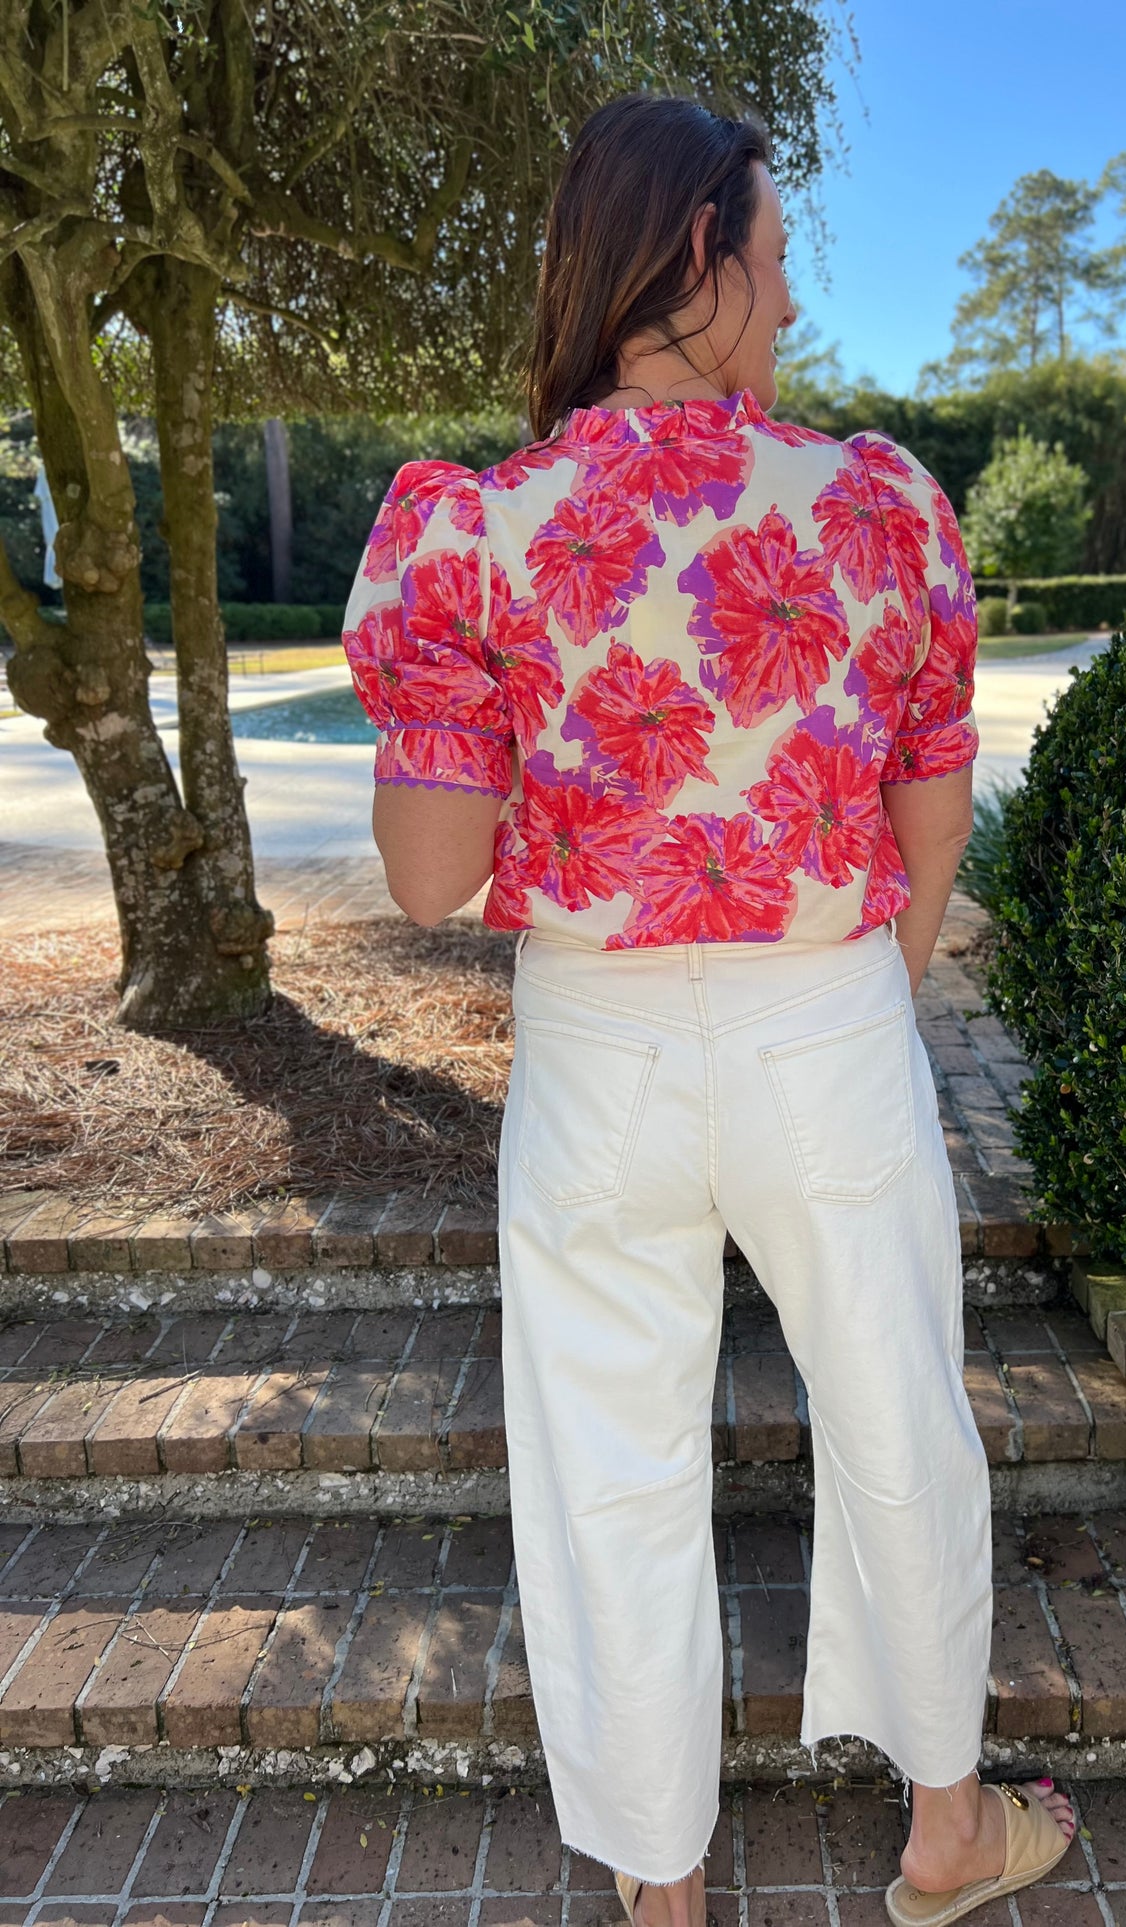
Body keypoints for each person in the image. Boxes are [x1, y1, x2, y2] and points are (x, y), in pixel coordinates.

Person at [342, 92, 1076, 1927]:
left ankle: (662, 1896)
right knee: (899, 1409)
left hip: (596, 1049)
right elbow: (929, 808)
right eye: (774, 256)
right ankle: (944, 1831)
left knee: (606, 1458)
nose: (791, 303)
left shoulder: (475, 530)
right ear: (696, 255)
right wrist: (844, 1012)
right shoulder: (879, 506)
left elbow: (430, 882)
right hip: (824, 1017)